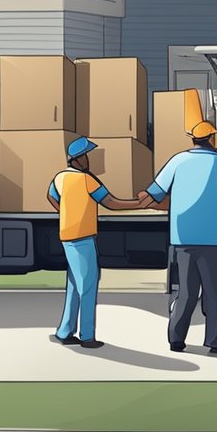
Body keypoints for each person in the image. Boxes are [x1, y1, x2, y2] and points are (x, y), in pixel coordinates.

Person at [137, 121, 217, 354]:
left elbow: (152, 194)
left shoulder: (177, 161)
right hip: (212, 241)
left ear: (194, 140)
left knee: (186, 292)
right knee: (214, 293)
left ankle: (176, 339)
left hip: (182, 240)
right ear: (212, 139)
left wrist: (136, 202)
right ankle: (215, 341)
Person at [48, 137, 139, 349]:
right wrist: (139, 203)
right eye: (86, 156)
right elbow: (111, 203)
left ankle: (64, 331)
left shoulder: (59, 178)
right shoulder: (87, 180)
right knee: (88, 286)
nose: (88, 160)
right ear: (78, 159)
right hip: (83, 238)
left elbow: (51, 196)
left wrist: (66, 213)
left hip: (67, 236)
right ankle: (87, 337)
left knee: (74, 285)